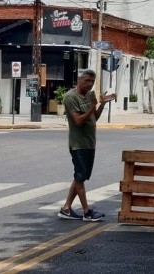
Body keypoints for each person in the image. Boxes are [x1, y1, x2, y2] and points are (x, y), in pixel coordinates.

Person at [57, 69, 115, 222]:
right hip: (78, 144)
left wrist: (101, 105)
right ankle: (87, 211)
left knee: (80, 177)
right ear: (79, 79)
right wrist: (91, 106)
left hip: (89, 143)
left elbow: (94, 117)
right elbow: (78, 121)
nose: (89, 84)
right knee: (80, 177)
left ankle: (66, 208)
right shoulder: (71, 97)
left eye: (92, 81)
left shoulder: (89, 96)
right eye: (87, 80)